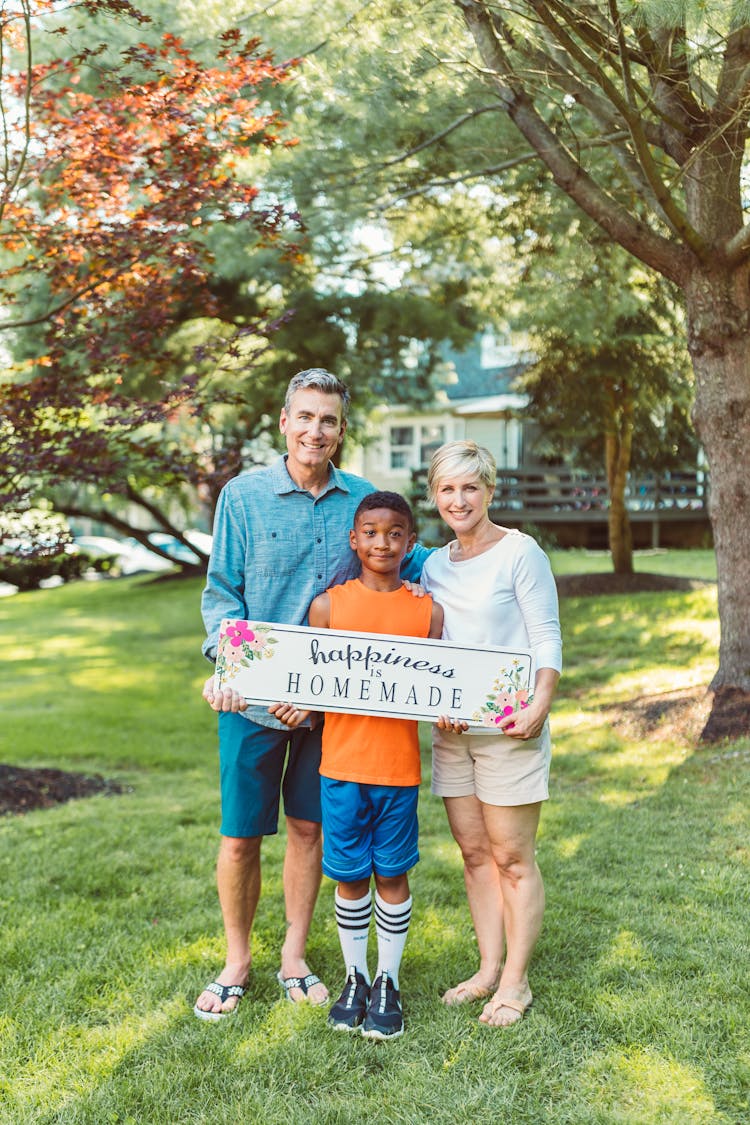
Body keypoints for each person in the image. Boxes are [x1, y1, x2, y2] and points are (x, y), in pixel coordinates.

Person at [194, 370, 430, 1021]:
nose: (314, 430)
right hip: (256, 700)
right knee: (242, 835)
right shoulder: (243, 497)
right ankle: (237, 959)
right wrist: (228, 665)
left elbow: (412, 560)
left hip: (332, 707)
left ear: (341, 430)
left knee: (308, 828)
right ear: (283, 420)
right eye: (304, 416)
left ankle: (294, 955)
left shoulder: (365, 503)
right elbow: (223, 597)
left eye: (327, 419)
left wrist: (491, 551)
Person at [272, 491, 443, 1040]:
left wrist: (451, 710)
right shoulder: (328, 607)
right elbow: (313, 679)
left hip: (397, 769)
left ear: (410, 543)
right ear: (354, 539)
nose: (382, 542)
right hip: (341, 766)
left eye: (395, 533)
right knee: (348, 878)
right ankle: (356, 977)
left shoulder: (427, 611)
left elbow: (437, 684)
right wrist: (299, 699)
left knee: (392, 873)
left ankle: (388, 980)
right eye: (370, 532)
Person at [420, 440, 562, 1028]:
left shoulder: (520, 553)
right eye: (448, 489)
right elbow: (433, 647)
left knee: (512, 857)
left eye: (470, 487)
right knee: (475, 855)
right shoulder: (431, 565)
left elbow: (545, 636)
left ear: (489, 490)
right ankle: (486, 968)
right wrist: (438, 702)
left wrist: (540, 704)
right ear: (434, 496)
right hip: (454, 732)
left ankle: (516, 982)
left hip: (510, 727)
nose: (459, 499)